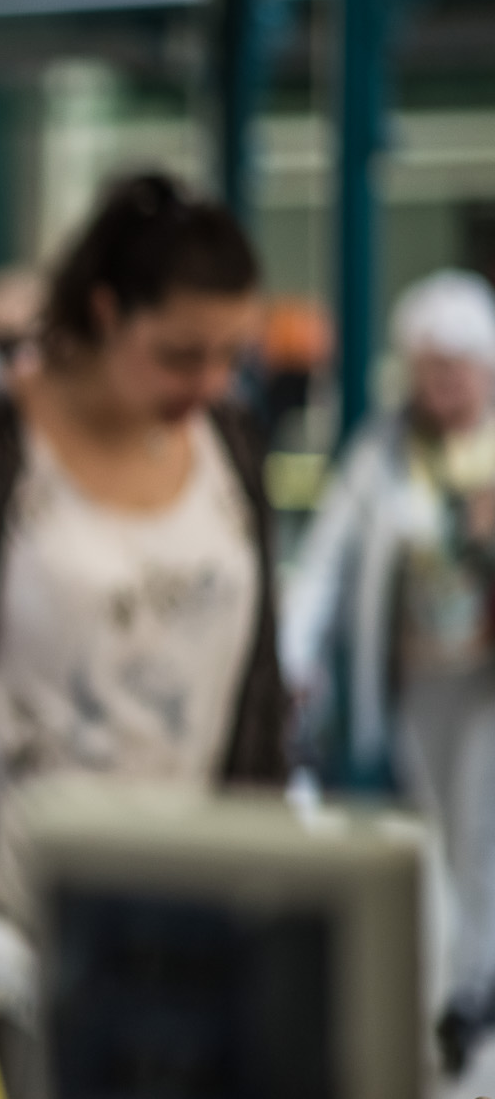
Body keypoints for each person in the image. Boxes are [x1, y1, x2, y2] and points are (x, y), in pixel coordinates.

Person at [0, 174, 287, 1021]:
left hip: (191, 918)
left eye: (232, 355)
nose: (209, 382)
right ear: (105, 310)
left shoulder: (229, 439)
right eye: (180, 354)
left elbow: (258, 689)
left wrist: (264, 874)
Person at [284, 269, 495, 1051]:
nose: (441, 386)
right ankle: (462, 974)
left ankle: (473, 983)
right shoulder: (385, 451)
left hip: (485, 680)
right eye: (428, 369)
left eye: (455, 369)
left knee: (483, 825)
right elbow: (327, 558)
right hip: (419, 674)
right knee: (441, 823)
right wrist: (294, 652)